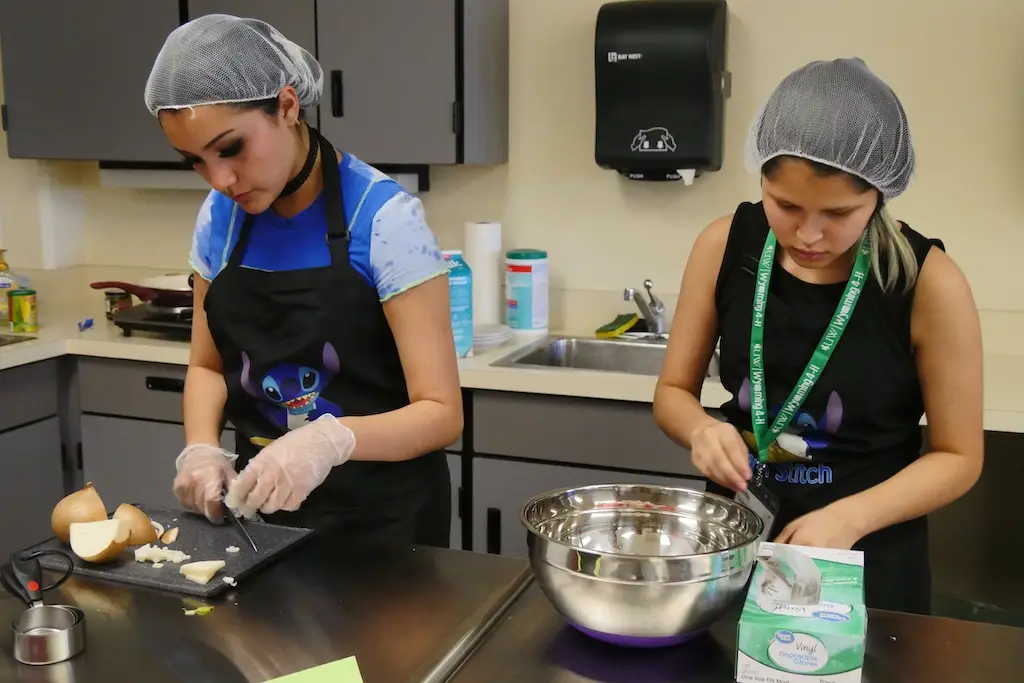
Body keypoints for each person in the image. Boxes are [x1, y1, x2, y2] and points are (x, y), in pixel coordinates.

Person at [653, 58, 983, 614]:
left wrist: (850, 518)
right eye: (784, 206)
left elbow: (959, 456)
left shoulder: (928, 283)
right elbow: (672, 394)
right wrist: (701, 432)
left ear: (879, 193)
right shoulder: (724, 246)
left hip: (863, 559)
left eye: (838, 213)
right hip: (736, 545)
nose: (808, 234)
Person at [142, 14, 463, 547]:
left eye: (230, 149)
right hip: (261, 519)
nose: (220, 180)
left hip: (386, 526)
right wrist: (201, 448)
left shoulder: (383, 219)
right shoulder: (219, 220)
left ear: (287, 106)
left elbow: (441, 413)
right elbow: (207, 365)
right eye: (194, 162)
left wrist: (330, 441)